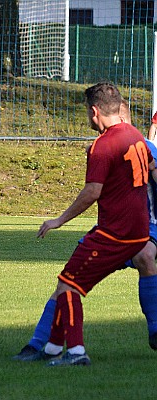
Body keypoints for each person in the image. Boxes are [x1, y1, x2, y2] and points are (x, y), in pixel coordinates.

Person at [14, 82, 155, 367]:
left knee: (68, 285)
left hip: (114, 234)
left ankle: (74, 351)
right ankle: (50, 347)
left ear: (94, 112)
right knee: (143, 260)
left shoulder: (103, 145)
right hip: (137, 232)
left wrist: (59, 220)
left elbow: (93, 191)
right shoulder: (137, 137)